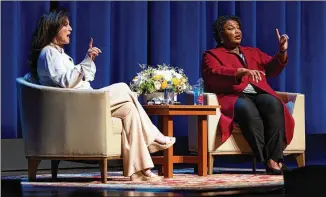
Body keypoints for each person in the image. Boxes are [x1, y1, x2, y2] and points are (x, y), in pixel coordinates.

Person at [28, 10, 176, 181]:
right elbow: (67, 82)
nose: (70, 29)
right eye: (65, 25)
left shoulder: (60, 54)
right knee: (122, 87)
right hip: (76, 106)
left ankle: (140, 171)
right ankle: (154, 136)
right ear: (53, 28)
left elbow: (82, 78)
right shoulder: (49, 53)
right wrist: (84, 62)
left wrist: (88, 59)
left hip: (84, 101)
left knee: (128, 109)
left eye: (69, 24)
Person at [201, 15, 294, 175]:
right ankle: (268, 160)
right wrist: (239, 72)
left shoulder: (252, 52)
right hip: (233, 95)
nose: (237, 31)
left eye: (238, 28)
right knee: (246, 108)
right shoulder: (211, 55)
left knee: (274, 104)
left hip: (258, 92)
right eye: (231, 28)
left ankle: (274, 159)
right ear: (221, 36)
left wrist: (282, 51)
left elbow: (272, 68)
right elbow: (213, 73)